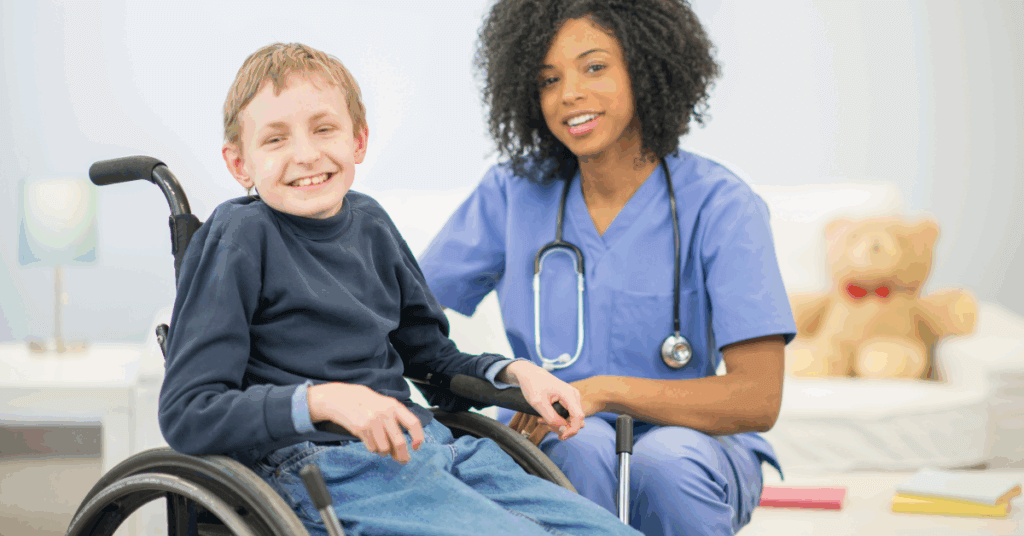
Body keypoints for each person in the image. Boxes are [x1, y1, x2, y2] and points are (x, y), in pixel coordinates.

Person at [158, 42, 644, 536]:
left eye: (324, 129)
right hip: (326, 467)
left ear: (358, 141)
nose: (306, 155)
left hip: (430, 447)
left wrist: (514, 372)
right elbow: (187, 413)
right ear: (240, 164)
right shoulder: (239, 237)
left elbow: (431, 363)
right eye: (276, 139)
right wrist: (327, 401)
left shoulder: (371, 224)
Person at [419, 2, 797, 535]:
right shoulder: (512, 193)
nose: (569, 92)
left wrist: (604, 389)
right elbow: (403, 307)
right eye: (549, 79)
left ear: (645, 66)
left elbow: (756, 398)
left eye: (594, 66)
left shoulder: (720, 204)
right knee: (581, 443)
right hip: (557, 430)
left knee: (667, 464)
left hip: (693, 441)